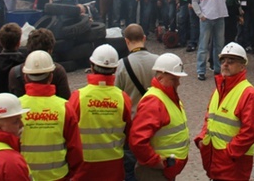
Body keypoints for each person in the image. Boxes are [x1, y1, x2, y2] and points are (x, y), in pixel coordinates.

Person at [195, 43, 254, 181]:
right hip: (216, 160)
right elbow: (209, 118)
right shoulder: (218, 90)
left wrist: (230, 152)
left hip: (234, 164)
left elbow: (251, 131)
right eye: (223, 61)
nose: (225, 64)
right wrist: (202, 138)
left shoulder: (249, 94)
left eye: (231, 61)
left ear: (242, 66)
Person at [69, 44, 132, 180]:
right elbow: (128, 132)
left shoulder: (78, 97)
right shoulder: (123, 98)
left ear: (91, 66)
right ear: (115, 69)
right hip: (114, 166)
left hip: (84, 167)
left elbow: (69, 132)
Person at [19, 50, 83, 180]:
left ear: (25, 77)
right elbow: (75, 149)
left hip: (24, 176)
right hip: (58, 176)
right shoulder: (64, 107)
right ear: (51, 77)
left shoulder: (17, 106)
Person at [130, 53, 190, 180]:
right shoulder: (154, 101)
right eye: (174, 79)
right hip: (155, 171)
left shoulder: (167, 97)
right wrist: (155, 161)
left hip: (164, 169)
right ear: (161, 77)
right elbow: (138, 141)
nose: (178, 83)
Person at [115, 24, 158, 181]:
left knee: (130, 169)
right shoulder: (158, 61)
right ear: (144, 38)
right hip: (155, 124)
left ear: (126, 41)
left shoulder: (121, 65)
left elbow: (117, 97)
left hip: (132, 126)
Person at [191, 0, 242, 80]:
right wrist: (200, 15)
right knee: (203, 46)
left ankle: (218, 69)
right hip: (206, 18)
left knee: (219, 45)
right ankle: (201, 70)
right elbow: (194, 2)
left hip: (220, 16)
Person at [8, 28, 71, 100]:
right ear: (50, 50)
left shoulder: (15, 73)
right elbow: (66, 101)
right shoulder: (58, 70)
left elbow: (15, 102)